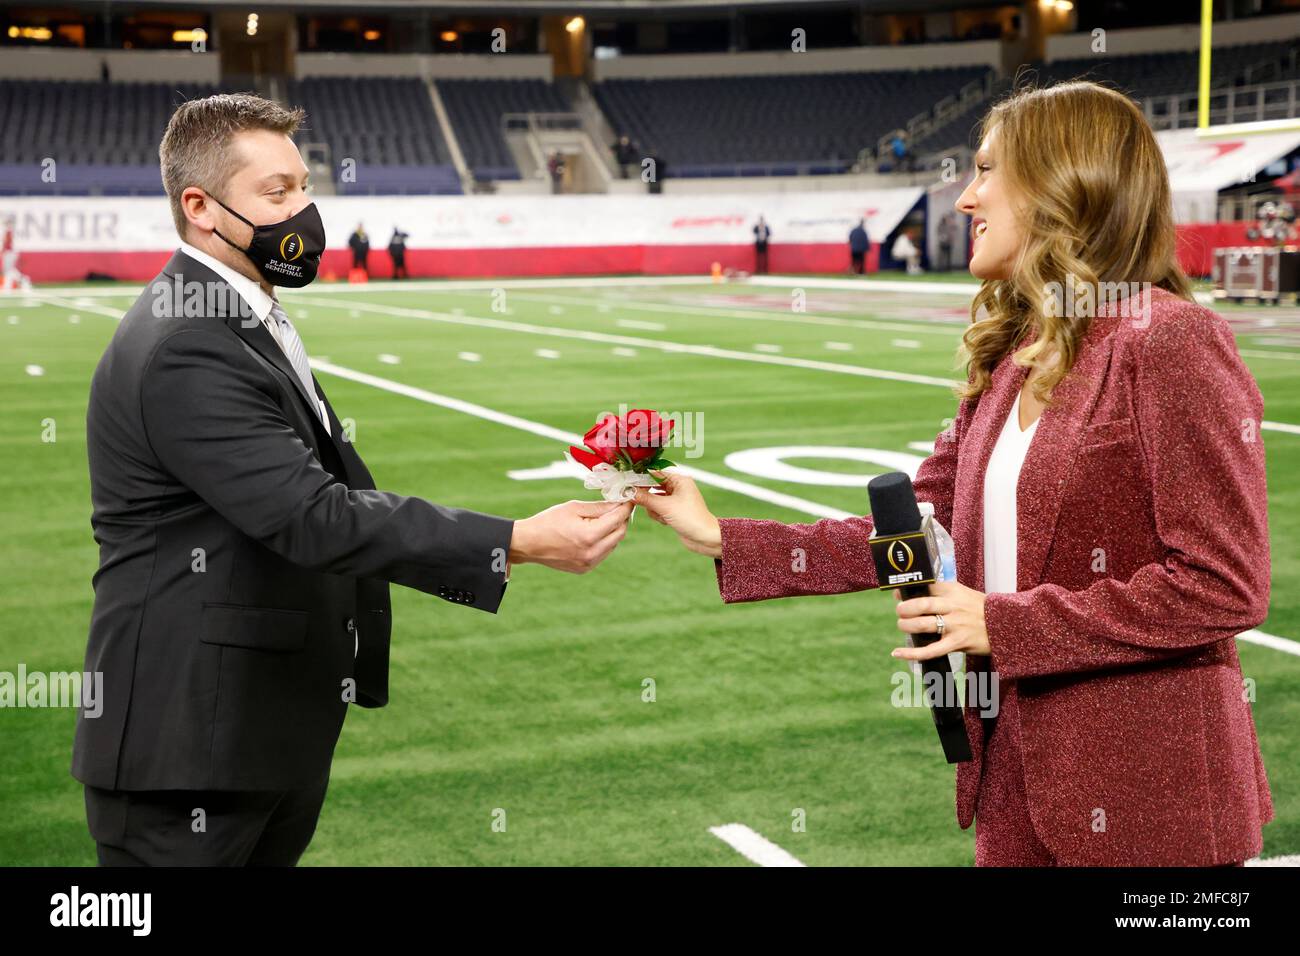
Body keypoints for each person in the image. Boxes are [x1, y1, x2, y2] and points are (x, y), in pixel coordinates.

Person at [635, 81, 1272, 867]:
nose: (966, 197)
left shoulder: (1168, 341)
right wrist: (719, 536)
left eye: (986, 171)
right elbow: (915, 527)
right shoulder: (1014, 355)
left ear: (1061, 182)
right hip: (1009, 778)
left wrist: (1005, 626)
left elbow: (1223, 583)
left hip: (1150, 802)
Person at [76, 93, 633, 867]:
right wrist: (516, 541)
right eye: (277, 194)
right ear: (199, 207)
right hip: (190, 749)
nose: (303, 210)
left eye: (304, 186)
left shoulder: (232, 313)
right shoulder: (186, 342)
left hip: (252, 732)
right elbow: (313, 516)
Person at [1, 215, 32, 291]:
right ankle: (21, 280)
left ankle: (9, 285)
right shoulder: (8, 231)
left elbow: (7, 244)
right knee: (9, 270)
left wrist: (2, 251)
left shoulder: (9, 232)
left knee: (8, 270)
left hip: (9, 253)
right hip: (10, 253)